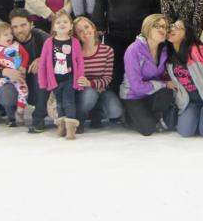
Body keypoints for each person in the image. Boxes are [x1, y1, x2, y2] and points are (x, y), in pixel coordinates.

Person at [92, 0, 161, 90]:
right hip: (115, 37)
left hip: (141, 39)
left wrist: (154, 33)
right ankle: (117, 105)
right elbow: (100, 2)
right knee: (116, 71)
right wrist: (100, 26)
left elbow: (158, 11)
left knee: (137, 71)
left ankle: (136, 101)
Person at [166, 18, 203, 138]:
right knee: (185, 132)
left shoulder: (196, 50)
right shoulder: (168, 54)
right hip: (189, 102)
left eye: (178, 27)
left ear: (186, 34)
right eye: (172, 26)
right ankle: (199, 116)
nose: (172, 28)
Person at [120, 14, 176, 136]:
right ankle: (128, 116)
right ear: (148, 27)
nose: (163, 30)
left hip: (150, 93)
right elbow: (136, 86)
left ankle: (147, 115)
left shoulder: (164, 49)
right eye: (158, 26)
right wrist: (163, 84)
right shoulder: (133, 50)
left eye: (165, 27)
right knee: (148, 129)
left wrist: (166, 83)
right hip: (133, 95)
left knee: (168, 93)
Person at [37, 11, 84, 140]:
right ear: (53, 27)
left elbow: (79, 62)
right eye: (58, 22)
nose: (61, 24)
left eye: (65, 22)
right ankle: (61, 126)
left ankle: (70, 128)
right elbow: (43, 63)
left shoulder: (74, 42)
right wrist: (43, 81)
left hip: (69, 78)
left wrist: (79, 79)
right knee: (59, 103)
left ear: (70, 26)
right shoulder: (49, 43)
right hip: (55, 80)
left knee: (69, 102)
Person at [75, 16, 122, 131]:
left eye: (86, 27)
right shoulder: (76, 52)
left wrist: (92, 84)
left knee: (116, 111)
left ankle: (97, 112)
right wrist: (87, 85)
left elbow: (107, 78)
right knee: (90, 94)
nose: (85, 32)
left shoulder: (107, 51)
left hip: (102, 89)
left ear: (93, 27)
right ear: (77, 35)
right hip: (83, 90)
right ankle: (79, 119)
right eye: (80, 31)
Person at [9, 8, 52, 134]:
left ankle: (38, 118)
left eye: (23, 25)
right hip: (17, 82)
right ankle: (11, 115)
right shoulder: (6, 40)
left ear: (31, 24)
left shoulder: (40, 36)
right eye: (15, 27)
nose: (19, 30)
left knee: (41, 69)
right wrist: (4, 71)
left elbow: (58, 53)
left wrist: (42, 59)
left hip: (38, 85)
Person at [0, 20, 29, 127]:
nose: (10, 36)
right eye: (5, 35)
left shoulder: (16, 46)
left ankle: (20, 111)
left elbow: (26, 55)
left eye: (10, 34)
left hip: (18, 75)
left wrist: (23, 66)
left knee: (24, 90)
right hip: (3, 76)